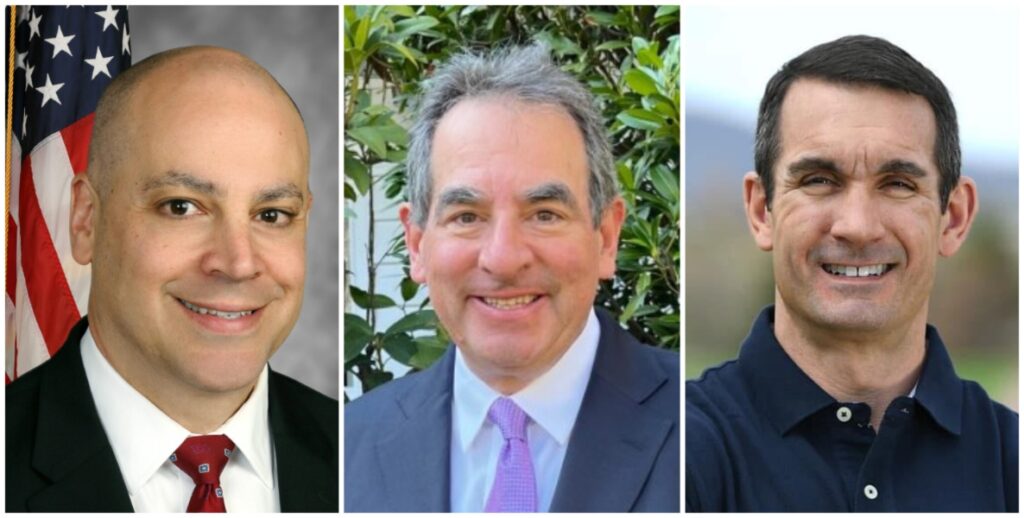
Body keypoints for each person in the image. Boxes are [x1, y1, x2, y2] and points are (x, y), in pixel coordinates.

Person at [686, 35, 1017, 512]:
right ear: (762, 211)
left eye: (898, 184)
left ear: (955, 218)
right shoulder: (683, 457)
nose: (857, 226)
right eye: (819, 180)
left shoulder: (1012, 465)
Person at [344, 44, 679, 512]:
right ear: (418, 245)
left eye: (544, 214)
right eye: (466, 216)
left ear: (606, 237)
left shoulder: (702, 427)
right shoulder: (346, 447)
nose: (502, 259)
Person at [6, 46, 338, 513]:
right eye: (181, 207)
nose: (238, 263)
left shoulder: (364, 455)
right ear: (85, 220)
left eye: (271, 214)